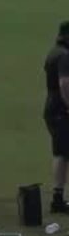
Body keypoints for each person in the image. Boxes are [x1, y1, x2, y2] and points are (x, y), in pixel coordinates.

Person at [45, 22, 69, 214]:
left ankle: (58, 197)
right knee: (62, 152)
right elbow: (64, 84)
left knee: (62, 152)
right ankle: (58, 199)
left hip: (53, 107)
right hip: (61, 110)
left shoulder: (54, 53)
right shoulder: (64, 56)